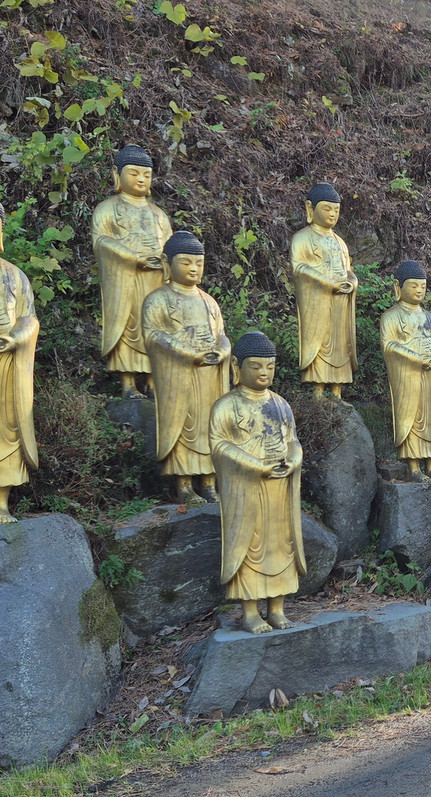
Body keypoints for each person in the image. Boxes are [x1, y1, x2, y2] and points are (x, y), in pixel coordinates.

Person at [211, 331, 304, 634]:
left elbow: (292, 441)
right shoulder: (226, 406)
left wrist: (292, 461)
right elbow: (219, 445)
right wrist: (256, 466)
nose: (264, 373)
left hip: (279, 486)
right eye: (256, 366)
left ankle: (276, 607)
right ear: (237, 367)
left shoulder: (280, 404)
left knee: (281, 543)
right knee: (249, 545)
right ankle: (250, 611)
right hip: (246, 488)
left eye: (270, 367)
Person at [142, 231, 231, 505]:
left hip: (209, 375)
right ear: (167, 264)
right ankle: (184, 486)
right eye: (186, 262)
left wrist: (222, 351)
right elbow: (153, 335)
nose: (193, 268)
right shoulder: (157, 300)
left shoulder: (209, 301)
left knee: (211, 426)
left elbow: (221, 335)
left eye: (198, 263)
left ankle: (208, 482)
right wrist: (186, 352)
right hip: (178, 375)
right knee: (184, 426)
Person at [91, 144, 172, 399]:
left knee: (156, 324)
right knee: (128, 325)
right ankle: (128, 384)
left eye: (146, 175)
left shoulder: (158, 215)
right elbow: (101, 241)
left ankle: (152, 380)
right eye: (134, 173)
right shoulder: (107, 209)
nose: (140, 179)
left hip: (155, 279)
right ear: (118, 175)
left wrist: (164, 262)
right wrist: (134, 257)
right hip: (124, 280)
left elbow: (171, 247)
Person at [379, 259, 431, 481]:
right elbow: (389, 345)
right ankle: (414, 468)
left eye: (422, 286)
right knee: (413, 419)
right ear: (397, 288)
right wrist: (417, 359)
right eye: (413, 285)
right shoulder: (391, 316)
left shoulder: (428, 317)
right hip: (408, 377)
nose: (419, 290)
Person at [291, 182, 358, 399]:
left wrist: (351, 283)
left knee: (340, 344)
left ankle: (337, 392)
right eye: (326, 209)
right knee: (320, 343)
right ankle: (318, 390)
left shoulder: (340, 242)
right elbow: (299, 267)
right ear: (311, 209)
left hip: (340, 302)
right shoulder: (302, 237)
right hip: (317, 301)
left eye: (336, 210)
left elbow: (348, 270)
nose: (332, 214)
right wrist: (329, 283)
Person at [0, 202, 38, 523]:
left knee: (8, 427)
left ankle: (1, 503)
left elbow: (30, 320)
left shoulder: (15, 276)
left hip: (9, 364)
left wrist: (16, 338)